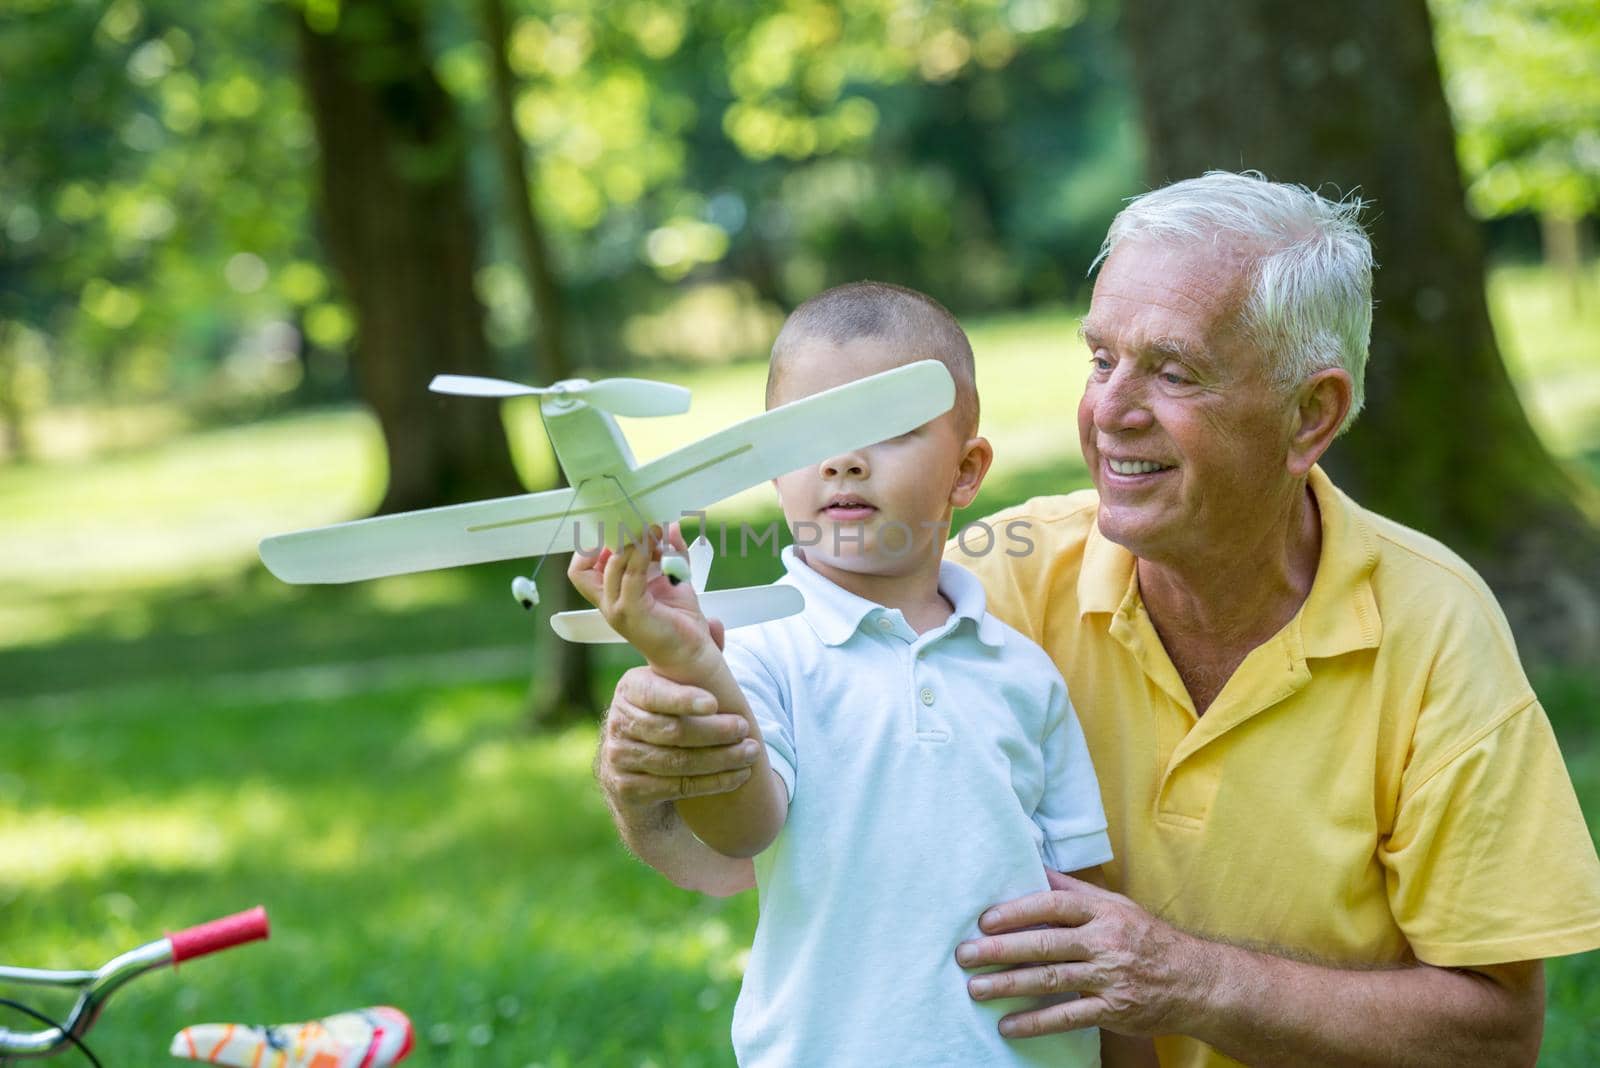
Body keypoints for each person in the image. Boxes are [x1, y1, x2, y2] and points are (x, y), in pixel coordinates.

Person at [588, 172, 1600, 1066]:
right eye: (1100, 358)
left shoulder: (1430, 626)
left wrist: (1190, 982)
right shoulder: (978, 587)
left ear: (1310, 417)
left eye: (1173, 370)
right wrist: (655, 757)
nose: (1110, 409)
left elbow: (1496, 1035)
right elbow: (739, 834)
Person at [568, 281, 1149, 1066]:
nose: (842, 459)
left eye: (884, 427)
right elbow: (744, 827)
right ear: (772, 467)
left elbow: (1091, 912)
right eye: (808, 434)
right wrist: (688, 657)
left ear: (966, 471)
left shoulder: (1023, 672)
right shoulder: (757, 650)